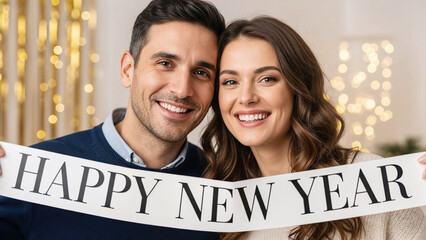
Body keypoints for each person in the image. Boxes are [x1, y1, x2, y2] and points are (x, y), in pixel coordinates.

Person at [0, 0, 224, 239]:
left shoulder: (223, 192)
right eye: (165, 64)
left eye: (201, 73)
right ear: (128, 70)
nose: (182, 90)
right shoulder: (35, 177)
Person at [201, 16, 426, 240]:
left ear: (298, 87)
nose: (246, 97)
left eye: (267, 79)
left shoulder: (373, 181)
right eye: (230, 82)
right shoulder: (217, 203)